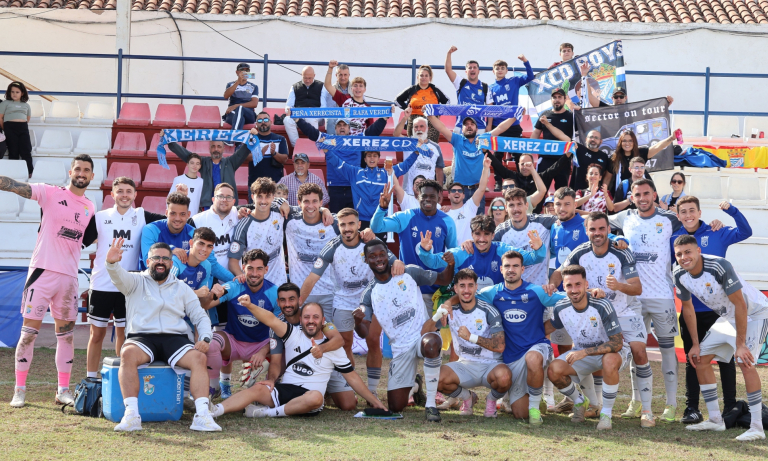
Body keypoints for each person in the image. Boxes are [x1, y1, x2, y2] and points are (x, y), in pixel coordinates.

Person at [5, 154, 95, 408]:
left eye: (86, 170)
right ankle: (19, 390)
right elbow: (17, 187)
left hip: (68, 278)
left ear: (91, 176)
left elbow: (85, 239)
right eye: (78, 168)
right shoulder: (49, 192)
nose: (81, 173)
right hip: (42, 273)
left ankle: (62, 390)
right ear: (70, 172)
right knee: (28, 335)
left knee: (66, 336)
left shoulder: (90, 206)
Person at [549, 212, 655, 427]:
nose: (597, 233)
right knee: (590, 351)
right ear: (587, 231)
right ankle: (594, 405)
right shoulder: (580, 252)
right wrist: (552, 285)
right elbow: (561, 272)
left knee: (640, 351)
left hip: (623, 311)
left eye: (601, 229)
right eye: (592, 229)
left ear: (608, 229)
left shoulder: (621, 252)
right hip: (595, 312)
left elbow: (637, 288)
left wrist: (617, 286)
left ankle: (646, 410)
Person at [105, 239, 218, 432]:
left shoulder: (182, 287)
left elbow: (200, 315)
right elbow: (117, 277)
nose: (160, 261)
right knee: (127, 354)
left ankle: (202, 416)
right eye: (156, 257)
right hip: (142, 337)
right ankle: (131, 415)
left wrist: (205, 337)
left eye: (165, 258)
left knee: (199, 357)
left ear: (171, 263)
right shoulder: (135, 281)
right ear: (147, 261)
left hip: (175, 338)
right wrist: (112, 264)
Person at [209, 301, 385, 418]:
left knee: (317, 398)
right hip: (284, 390)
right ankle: (215, 411)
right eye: (307, 317)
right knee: (257, 389)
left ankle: (267, 413)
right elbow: (270, 319)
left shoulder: (333, 346)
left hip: (308, 398)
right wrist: (249, 305)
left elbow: (352, 377)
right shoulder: (293, 333)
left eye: (315, 317)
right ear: (300, 319)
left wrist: (375, 402)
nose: (311, 321)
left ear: (323, 321)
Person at [673, 235, 768, 441]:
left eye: (688, 252)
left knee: (745, 362)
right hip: (729, 316)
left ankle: (757, 427)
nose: (683, 257)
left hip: (754, 313)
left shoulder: (719, 266)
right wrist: (695, 344)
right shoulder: (678, 272)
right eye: (679, 254)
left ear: (698, 250)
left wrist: (740, 344)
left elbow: (741, 305)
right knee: (700, 359)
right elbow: (687, 308)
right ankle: (716, 420)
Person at [301, 208, 401, 396]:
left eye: (351, 224)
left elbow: (395, 263)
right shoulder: (332, 246)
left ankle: (372, 391)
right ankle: (351, 389)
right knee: (344, 343)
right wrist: (299, 303)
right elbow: (312, 277)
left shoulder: (372, 242)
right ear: (338, 226)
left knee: (372, 341)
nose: (347, 228)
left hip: (372, 301)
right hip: (343, 302)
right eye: (343, 225)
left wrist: (397, 264)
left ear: (358, 224)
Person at [672, 196, 752, 424]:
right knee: (693, 359)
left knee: (725, 360)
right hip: (691, 310)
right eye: (683, 212)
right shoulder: (675, 240)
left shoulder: (717, 231)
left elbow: (745, 232)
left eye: (691, 211)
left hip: (720, 311)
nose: (688, 215)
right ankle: (692, 409)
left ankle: (729, 407)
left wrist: (732, 211)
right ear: (678, 216)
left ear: (699, 212)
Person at [356, 239, 456, 421]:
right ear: (366, 261)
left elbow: (444, 279)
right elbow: (363, 332)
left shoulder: (408, 271)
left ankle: (431, 405)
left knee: (432, 343)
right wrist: (357, 321)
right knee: (395, 405)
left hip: (422, 337)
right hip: (400, 349)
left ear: (388, 255)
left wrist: (450, 264)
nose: (378, 259)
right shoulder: (369, 294)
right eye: (372, 256)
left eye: (381, 254)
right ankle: (416, 385)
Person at [608, 179, 682, 423]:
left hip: (662, 296)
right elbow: (596, 225)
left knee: (668, 350)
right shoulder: (625, 217)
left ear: (654, 194)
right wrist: (613, 237)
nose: (642, 198)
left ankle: (671, 405)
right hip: (633, 298)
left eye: (646, 193)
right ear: (631, 196)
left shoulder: (669, 219)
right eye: (637, 194)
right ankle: (636, 401)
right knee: (635, 350)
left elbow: (693, 225)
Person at [84, 177, 171, 381]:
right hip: (101, 284)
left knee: (124, 335)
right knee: (96, 335)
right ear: (112, 195)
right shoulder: (99, 217)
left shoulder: (142, 215)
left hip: (129, 286)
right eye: (120, 191)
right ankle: (90, 378)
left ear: (135, 195)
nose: (124, 195)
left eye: (128, 191)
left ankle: (120, 377)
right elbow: (79, 241)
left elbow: (174, 222)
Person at [475, 250, 570, 423]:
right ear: (501, 270)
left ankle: (534, 408)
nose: (511, 270)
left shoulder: (536, 292)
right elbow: (465, 297)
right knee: (520, 414)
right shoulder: (492, 293)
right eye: (507, 266)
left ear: (523, 269)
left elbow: (568, 297)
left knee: (533, 359)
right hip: (511, 358)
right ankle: (531, 402)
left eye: (515, 266)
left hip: (537, 347)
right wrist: (449, 303)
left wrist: (592, 292)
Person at [547, 265, 629, 431]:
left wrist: (583, 352)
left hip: (612, 352)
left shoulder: (601, 304)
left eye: (578, 284)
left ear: (586, 284)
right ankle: (580, 402)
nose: (574, 289)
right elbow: (548, 327)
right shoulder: (561, 306)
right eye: (569, 285)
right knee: (553, 370)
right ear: (563, 286)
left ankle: (606, 414)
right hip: (581, 353)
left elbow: (616, 343)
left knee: (609, 359)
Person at [432, 269, 511, 418]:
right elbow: (425, 330)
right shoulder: (451, 311)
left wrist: (471, 337)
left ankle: (491, 399)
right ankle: (467, 397)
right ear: (455, 289)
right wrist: (437, 315)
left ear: (476, 287)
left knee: (505, 377)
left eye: (470, 285)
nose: (466, 290)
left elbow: (500, 346)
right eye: (462, 286)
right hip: (465, 365)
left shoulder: (488, 310)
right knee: (436, 378)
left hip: (490, 365)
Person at [262, 283, 354, 411]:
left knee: (349, 405)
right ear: (278, 302)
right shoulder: (278, 324)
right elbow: (276, 358)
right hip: (297, 368)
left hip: (324, 365)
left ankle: (325, 390)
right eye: (283, 300)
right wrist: (264, 353)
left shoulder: (312, 315)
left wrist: (321, 349)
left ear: (299, 300)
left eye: (291, 299)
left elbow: (339, 340)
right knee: (274, 366)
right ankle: (278, 389)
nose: (287, 304)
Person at [201, 249, 279, 399]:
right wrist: (212, 293)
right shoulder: (234, 286)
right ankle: (216, 386)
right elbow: (207, 305)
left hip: (260, 344)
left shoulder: (274, 292)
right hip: (234, 342)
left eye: (259, 269)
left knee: (283, 348)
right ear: (243, 268)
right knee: (211, 342)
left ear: (266, 269)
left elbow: (280, 330)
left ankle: (270, 387)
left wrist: (263, 351)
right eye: (250, 268)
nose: (254, 273)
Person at [371, 180, 457, 316]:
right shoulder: (406, 217)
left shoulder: (447, 222)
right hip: (408, 288)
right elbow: (377, 227)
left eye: (432, 196)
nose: (428, 199)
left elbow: (454, 254)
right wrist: (382, 209)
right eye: (424, 196)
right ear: (417, 197)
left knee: (432, 334)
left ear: (439, 198)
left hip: (435, 290)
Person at [427, 108, 523, 213]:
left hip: (478, 190)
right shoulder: (457, 139)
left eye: (472, 124)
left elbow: (500, 128)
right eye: (466, 124)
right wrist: (429, 115)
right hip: (460, 190)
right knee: (461, 222)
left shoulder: (482, 139)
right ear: (462, 129)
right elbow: (442, 128)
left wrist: (515, 117)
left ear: (477, 129)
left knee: (478, 224)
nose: (469, 126)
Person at [418, 215, 546, 290]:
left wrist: (538, 247)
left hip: (497, 304)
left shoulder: (502, 250)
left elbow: (534, 258)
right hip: (469, 307)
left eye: (486, 234)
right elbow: (433, 262)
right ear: (472, 234)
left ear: (493, 235)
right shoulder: (462, 252)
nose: (482, 239)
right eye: (477, 234)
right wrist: (425, 251)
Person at [294, 116, 388, 212]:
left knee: (353, 219)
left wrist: (383, 119)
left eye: (344, 125)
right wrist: (298, 120)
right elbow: (312, 133)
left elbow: (372, 131)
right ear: (335, 129)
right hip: (335, 186)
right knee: (336, 219)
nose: (342, 127)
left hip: (354, 186)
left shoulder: (357, 140)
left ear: (349, 128)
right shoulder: (329, 140)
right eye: (339, 125)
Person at [283, 183, 341, 335]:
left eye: (315, 201)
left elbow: (354, 230)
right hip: (301, 293)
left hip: (328, 293)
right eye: (306, 201)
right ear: (299, 202)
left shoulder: (333, 223)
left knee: (331, 337)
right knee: (301, 337)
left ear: (321, 203)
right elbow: (266, 206)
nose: (310, 205)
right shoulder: (289, 220)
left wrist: (367, 231)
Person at [139, 193, 233, 285]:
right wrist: (170, 249)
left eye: (182, 214)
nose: (177, 218)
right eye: (173, 213)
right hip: (151, 283)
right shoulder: (151, 229)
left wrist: (236, 280)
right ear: (166, 213)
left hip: (187, 286)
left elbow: (212, 264)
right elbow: (148, 258)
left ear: (188, 215)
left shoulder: (194, 233)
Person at [326, 147, 422, 235]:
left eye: (375, 156)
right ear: (365, 159)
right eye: (369, 156)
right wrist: (326, 150)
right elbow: (337, 163)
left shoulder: (387, 172)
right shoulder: (355, 172)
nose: (372, 158)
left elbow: (405, 166)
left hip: (380, 220)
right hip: (361, 220)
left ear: (379, 158)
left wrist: (416, 152)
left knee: (380, 251)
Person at [163, 129, 254, 210]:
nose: (216, 149)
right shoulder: (203, 162)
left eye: (219, 146)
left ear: (223, 149)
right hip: (207, 206)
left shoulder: (231, 162)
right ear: (209, 148)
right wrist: (169, 140)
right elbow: (186, 155)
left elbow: (244, 151)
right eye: (213, 146)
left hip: (227, 204)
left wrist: (251, 136)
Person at [228, 178, 289, 287]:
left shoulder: (278, 211)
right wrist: (244, 279)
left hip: (279, 282)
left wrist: (324, 210)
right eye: (259, 196)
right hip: (256, 286)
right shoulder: (244, 225)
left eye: (267, 196)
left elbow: (305, 210)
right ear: (252, 197)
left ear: (273, 197)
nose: (263, 201)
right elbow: (233, 262)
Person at [487, 56, 534, 190]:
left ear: (507, 70)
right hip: (498, 127)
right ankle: (498, 182)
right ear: (493, 71)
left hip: (513, 126)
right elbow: (490, 107)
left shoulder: (514, 81)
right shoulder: (490, 88)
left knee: (519, 155)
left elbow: (530, 77)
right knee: (497, 156)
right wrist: (489, 126)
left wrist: (526, 61)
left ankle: (521, 182)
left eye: (502, 68)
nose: (500, 70)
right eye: (497, 68)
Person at [538, 118, 614, 191]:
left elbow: (607, 178)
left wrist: (603, 193)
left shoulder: (604, 157)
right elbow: (561, 136)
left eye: (596, 138)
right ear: (586, 139)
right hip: (577, 194)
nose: (593, 139)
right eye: (591, 137)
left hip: (595, 196)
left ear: (601, 141)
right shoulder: (578, 148)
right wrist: (547, 124)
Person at [530, 89, 573, 190]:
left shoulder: (571, 116)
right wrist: (528, 151)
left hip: (563, 159)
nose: (557, 100)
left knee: (562, 192)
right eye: (554, 97)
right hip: (545, 159)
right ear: (551, 99)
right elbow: (536, 133)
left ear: (565, 99)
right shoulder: (545, 115)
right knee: (540, 190)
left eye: (559, 97)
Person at [394, 65, 450, 143]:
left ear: (430, 77)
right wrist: (406, 108)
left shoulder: (435, 90)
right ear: (417, 77)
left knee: (430, 146)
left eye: (426, 76)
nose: (424, 78)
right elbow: (397, 100)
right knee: (414, 145)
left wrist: (438, 113)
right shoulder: (412, 89)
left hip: (431, 121)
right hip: (414, 121)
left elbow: (447, 102)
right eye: (421, 75)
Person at [394, 107, 445, 189]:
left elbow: (439, 170)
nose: (419, 129)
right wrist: (405, 118)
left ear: (427, 129)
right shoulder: (407, 143)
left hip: (428, 193)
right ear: (412, 129)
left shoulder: (435, 147)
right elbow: (396, 135)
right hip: (409, 192)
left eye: (422, 126)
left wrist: (440, 191)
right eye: (416, 127)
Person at [444, 157, 492, 243]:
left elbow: (481, 188)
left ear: (463, 195)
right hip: (450, 254)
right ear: (448, 195)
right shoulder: (443, 213)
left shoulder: (470, 207)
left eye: (459, 191)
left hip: (468, 253)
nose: (457, 192)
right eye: (453, 191)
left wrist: (485, 168)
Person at [486, 152, 553, 212]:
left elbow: (555, 168)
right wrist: (485, 151)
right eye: (522, 164)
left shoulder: (527, 201)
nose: (525, 167)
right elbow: (498, 166)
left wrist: (532, 170)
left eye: (528, 164)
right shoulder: (501, 208)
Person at [611, 129, 676, 191]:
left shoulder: (641, 153)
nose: (627, 143)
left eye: (630, 140)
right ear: (620, 142)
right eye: (624, 141)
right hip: (622, 195)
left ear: (634, 142)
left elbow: (657, 147)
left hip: (642, 193)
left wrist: (672, 138)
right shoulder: (615, 158)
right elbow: (608, 178)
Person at [444, 46, 490, 134]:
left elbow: (490, 108)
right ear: (466, 71)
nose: (472, 69)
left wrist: (489, 126)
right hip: (461, 127)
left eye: (474, 67)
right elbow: (448, 70)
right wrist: (449, 53)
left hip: (479, 127)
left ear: (478, 71)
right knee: (459, 148)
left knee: (479, 148)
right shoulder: (460, 82)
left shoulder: (485, 87)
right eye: (470, 67)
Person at [325, 61, 376, 137]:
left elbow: (371, 130)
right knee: (331, 120)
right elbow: (327, 85)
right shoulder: (345, 99)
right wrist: (330, 68)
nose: (358, 88)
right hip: (342, 140)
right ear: (351, 88)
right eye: (355, 85)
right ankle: (331, 145)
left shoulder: (367, 108)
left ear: (365, 89)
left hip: (357, 142)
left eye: (360, 86)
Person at [284, 66, 330, 146]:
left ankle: (313, 146)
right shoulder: (294, 87)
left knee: (311, 118)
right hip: (299, 114)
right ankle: (296, 146)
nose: (308, 80)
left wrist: (313, 113)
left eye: (310, 78)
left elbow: (323, 107)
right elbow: (288, 106)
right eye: (305, 78)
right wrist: (291, 112)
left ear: (314, 76)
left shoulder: (321, 86)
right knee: (287, 120)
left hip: (315, 115)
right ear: (301, 75)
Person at [247, 111, 290, 187]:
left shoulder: (280, 139)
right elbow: (245, 157)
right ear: (256, 124)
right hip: (255, 185)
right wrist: (259, 154)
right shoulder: (251, 139)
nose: (263, 122)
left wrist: (274, 153)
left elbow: (284, 159)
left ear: (270, 122)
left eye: (266, 120)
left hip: (275, 185)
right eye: (260, 120)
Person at [0, 82, 33, 175]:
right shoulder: (5, 103)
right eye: (12, 92)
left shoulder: (26, 105)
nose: (14, 94)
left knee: (26, 150)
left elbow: (27, 118)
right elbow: (0, 117)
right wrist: (5, 128)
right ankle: (14, 172)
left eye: (17, 92)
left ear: (22, 93)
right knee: (13, 150)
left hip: (23, 128)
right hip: (10, 128)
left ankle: (29, 171)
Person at [223, 63, 259, 132]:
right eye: (242, 70)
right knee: (239, 118)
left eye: (247, 70)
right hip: (233, 113)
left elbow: (254, 103)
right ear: (237, 72)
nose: (245, 72)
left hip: (248, 113)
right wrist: (238, 82)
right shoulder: (231, 84)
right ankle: (238, 142)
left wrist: (237, 106)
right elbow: (226, 96)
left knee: (240, 109)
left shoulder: (254, 86)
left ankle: (233, 137)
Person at [325, 63, 350, 134]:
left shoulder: (355, 88)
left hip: (351, 115)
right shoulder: (332, 89)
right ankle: (332, 143)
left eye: (345, 75)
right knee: (331, 120)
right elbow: (331, 110)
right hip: (337, 116)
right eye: (340, 75)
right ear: (336, 75)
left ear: (349, 75)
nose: (343, 77)